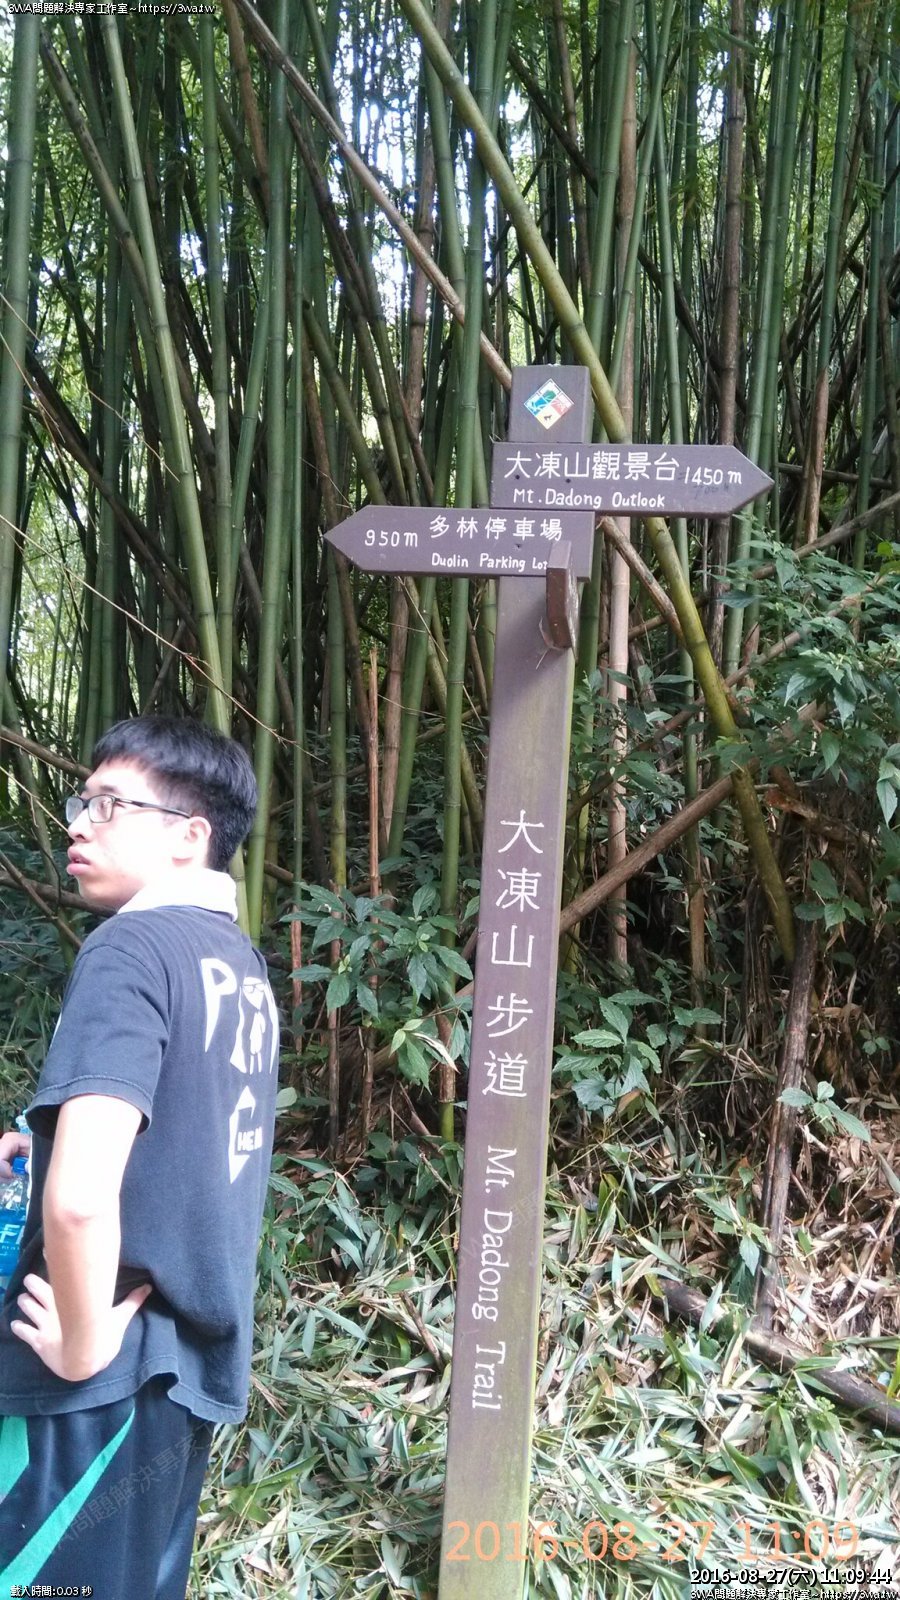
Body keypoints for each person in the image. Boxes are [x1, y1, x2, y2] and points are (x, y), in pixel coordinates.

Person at [0, 716, 279, 1598]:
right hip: (181, 1372)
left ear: (188, 836)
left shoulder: (129, 947)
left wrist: (82, 1345)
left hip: (92, 1372)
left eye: (109, 805)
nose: (79, 824)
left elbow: (81, 1199)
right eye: (82, 803)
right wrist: (41, 1145)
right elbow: (191, 1135)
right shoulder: (236, 962)